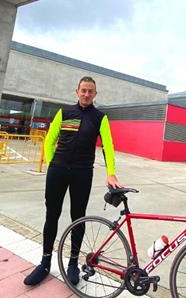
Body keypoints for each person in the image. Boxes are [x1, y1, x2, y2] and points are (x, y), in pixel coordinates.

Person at [24, 76, 121, 286]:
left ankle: (73, 264)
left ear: (95, 94)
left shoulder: (100, 118)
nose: (86, 94)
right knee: (52, 215)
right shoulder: (64, 112)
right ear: (76, 91)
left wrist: (111, 172)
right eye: (83, 90)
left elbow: (108, 146)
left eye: (90, 91)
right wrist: (53, 164)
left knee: (78, 217)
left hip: (82, 173)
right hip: (58, 171)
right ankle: (45, 262)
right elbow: (50, 140)